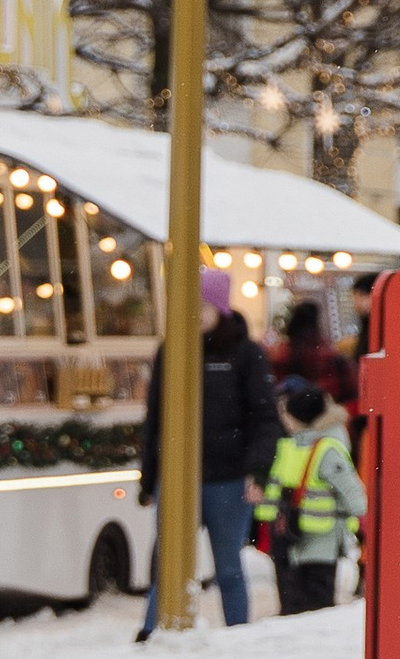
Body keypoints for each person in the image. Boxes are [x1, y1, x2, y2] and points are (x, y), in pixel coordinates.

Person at [136, 268, 280, 635]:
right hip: (177, 477)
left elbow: (264, 419)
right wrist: (149, 478)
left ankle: (238, 634)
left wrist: (258, 471)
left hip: (228, 479)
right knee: (167, 566)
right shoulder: (172, 350)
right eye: (190, 305)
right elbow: (157, 417)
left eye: (204, 305)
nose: (196, 312)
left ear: (220, 308)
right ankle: (152, 633)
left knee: (229, 567)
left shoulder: (245, 354)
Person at [264, 378, 365, 613]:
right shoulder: (293, 446)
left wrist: (362, 522)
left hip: (322, 537)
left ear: (300, 418)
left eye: (288, 414)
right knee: (298, 598)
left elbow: (351, 490)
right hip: (296, 535)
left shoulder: (327, 449)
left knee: (318, 598)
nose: (284, 420)